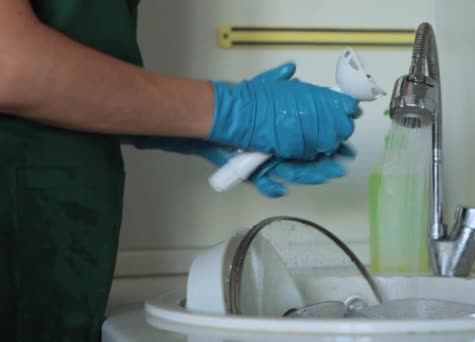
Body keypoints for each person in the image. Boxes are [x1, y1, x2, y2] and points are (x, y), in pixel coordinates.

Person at [0, 1, 360, 341]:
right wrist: (231, 113)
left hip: (61, 247)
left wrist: (185, 129)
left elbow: (61, 79)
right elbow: (8, 60)